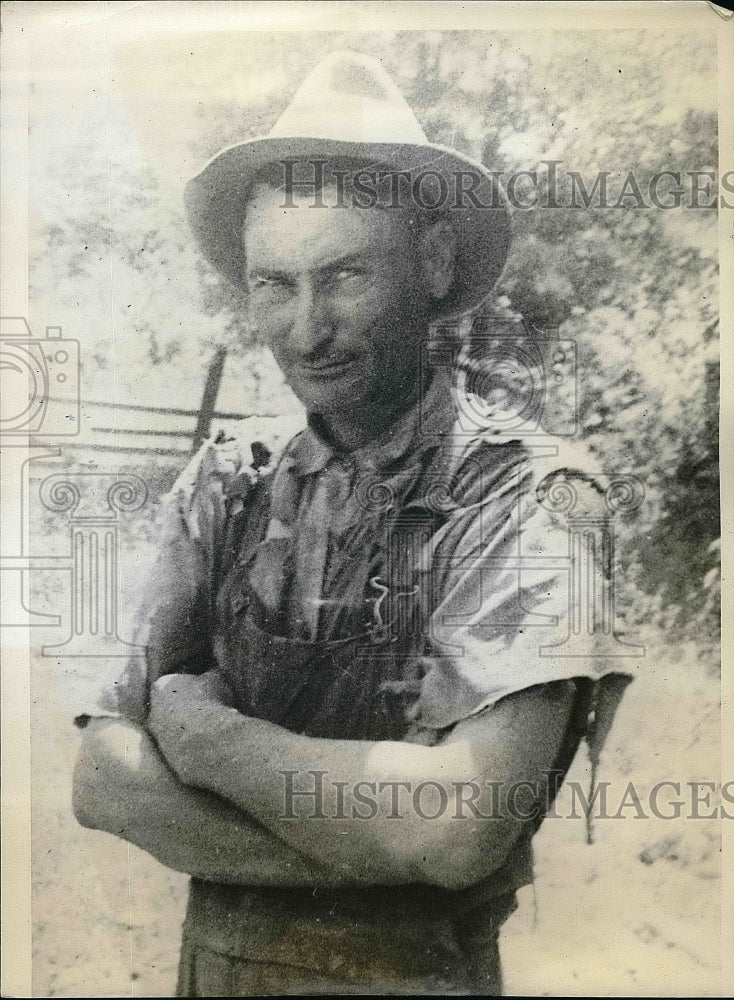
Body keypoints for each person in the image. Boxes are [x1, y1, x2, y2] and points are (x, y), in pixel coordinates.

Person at [72, 52, 630, 996]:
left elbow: (460, 826)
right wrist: (379, 851)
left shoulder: (525, 494)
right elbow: (103, 778)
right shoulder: (227, 481)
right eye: (274, 285)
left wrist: (208, 742)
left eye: (344, 276)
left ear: (435, 263)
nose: (307, 329)